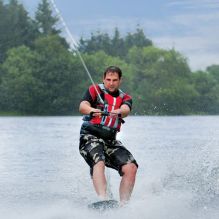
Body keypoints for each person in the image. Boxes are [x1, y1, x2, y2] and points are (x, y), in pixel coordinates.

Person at [79, 66, 138, 204]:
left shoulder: (125, 97)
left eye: (115, 80)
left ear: (120, 80)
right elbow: (82, 106)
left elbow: (126, 110)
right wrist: (92, 110)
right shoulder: (94, 90)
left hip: (110, 141)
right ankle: (103, 200)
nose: (111, 83)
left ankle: (123, 206)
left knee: (131, 167)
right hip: (90, 137)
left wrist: (118, 111)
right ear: (103, 79)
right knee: (98, 161)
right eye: (108, 80)